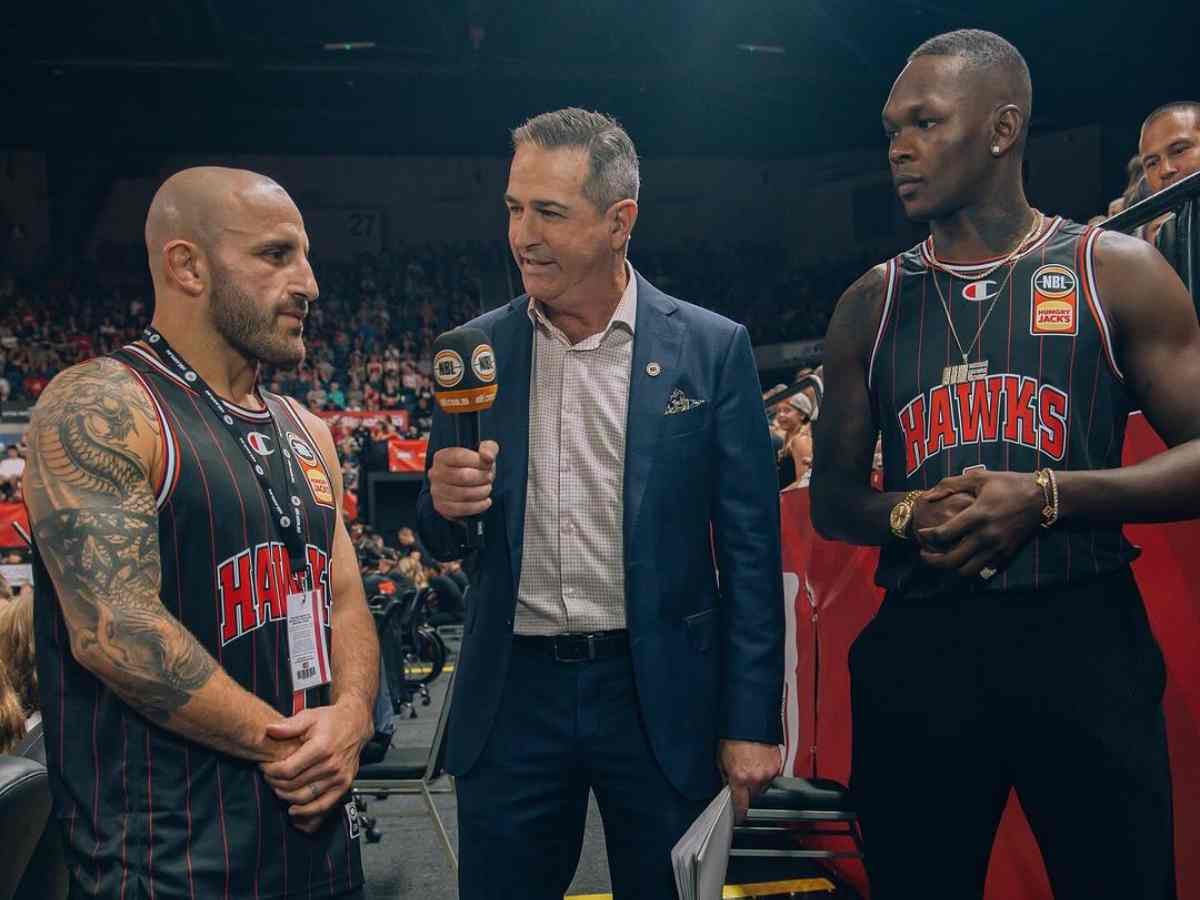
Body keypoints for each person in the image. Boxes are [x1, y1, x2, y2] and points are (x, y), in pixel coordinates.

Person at [812, 29, 1200, 900]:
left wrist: (1049, 495)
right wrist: (912, 513)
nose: (898, 149)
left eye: (923, 122)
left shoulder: (1115, 272)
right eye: (889, 130)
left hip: (1083, 633)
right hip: (922, 643)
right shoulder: (869, 303)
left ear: (1001, 129)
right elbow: (834, 501)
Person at [418, 108, 784, 900]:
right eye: (514, 208)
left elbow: (753, 552)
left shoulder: (712, 349)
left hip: (656, 695)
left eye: (549, 211)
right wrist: (442, 505)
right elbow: (446, 539)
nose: (523, 234)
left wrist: (752, 721)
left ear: (621, 222)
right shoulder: (469, 351)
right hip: (513, 695)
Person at [24, 167, 378, 899]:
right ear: (187, 266)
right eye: (276, 256)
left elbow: (344, 598)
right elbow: (115, 628)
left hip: (318, 848)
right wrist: (293, 746)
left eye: (306, 256)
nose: (308, 282)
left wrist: (350, 719)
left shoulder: (308, 429)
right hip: (168, 860)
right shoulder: (103, 405)